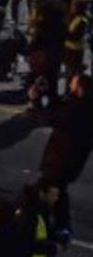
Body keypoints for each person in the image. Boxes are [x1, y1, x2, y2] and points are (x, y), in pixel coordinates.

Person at [38, 73, 93, 241]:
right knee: (58, 191)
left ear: (80, 88)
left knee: (48, 189)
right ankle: (61, 225)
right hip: (71, 161)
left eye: (73, 84)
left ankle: (50, 224)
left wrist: (37, 101)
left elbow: (52, 118)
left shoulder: (77, 109)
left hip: (60, 160)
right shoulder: (83, 106)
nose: (70, 85)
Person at [62, 0, 87, 86]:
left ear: (79, 8)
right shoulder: (72, 16)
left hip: (75, 51)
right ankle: (68, 92)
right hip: (68, 49)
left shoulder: (82, 21)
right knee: (68, 72)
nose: (71, 7)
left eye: (73, 6)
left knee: (72, 74)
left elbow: (75, 37)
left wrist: (63, 32)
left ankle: (71, 93)